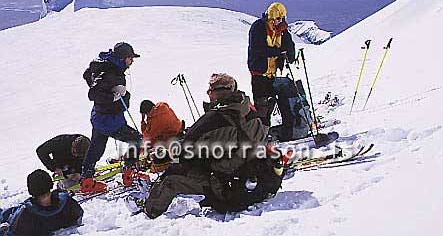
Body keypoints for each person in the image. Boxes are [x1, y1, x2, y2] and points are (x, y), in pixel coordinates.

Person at [143, 73, 283, 218]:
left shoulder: (215, 118)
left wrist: (164, 155)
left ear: (218, 93)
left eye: (210, 91)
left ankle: (149, 213)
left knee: (170, 178)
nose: (208, 95)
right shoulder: (248, 109)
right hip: (250, 174)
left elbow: (185, 148)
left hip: (226, 184)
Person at [80, 42, 143, 193]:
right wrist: (113, 97)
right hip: (110, 120)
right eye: (130, 58)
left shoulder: (105, 65)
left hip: (99, 117)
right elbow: (93, 94)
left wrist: (109, 93)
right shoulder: (111, 72)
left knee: (97, 147)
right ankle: (129, 173)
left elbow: (87, 75)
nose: (132, 61)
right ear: (122, 58)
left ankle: (87, 180)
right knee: (136, 139)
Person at [247, 2, 296, 141]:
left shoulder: (282, 30)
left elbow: (289, 47)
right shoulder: (258, 27)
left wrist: (289, 53)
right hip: (259, 73)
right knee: (262, 105)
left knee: (272, 103)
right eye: (278, 18)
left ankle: (281, 131)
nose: (280, 21)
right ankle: (261, 136)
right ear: (271, 17)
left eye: (282, 18)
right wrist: (279, 52)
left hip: (273, 74)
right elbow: (258, 49)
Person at [0, 169, 83, 236]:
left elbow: (78, 217)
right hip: (19, 214)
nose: (46, 199)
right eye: (42, 197)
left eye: (47, 194)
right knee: (9, 213)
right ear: (35, 196)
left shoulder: (66, 203)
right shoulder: (26, 215)